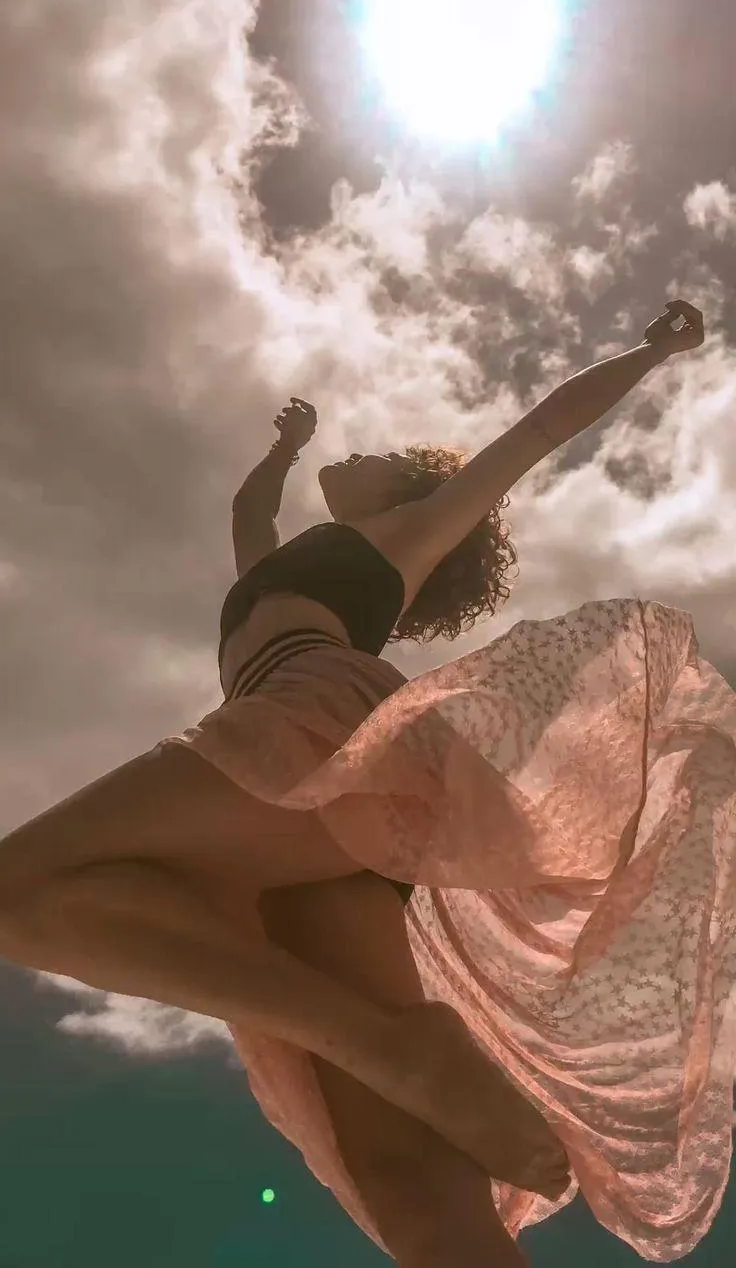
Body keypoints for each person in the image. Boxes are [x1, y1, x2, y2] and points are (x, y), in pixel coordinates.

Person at [0, 300, 728, 1265]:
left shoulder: (408, 535)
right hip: (309, 772)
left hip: (320, 726)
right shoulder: (288, 560)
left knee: (18, 889)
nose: (366, 452)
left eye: (386, 452)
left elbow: (544, 428)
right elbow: (247, 515)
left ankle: (388, 1047)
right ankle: (397, 1055)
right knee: (417, 1195)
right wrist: (287, 446)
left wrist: (651, 349)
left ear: (416, 485)